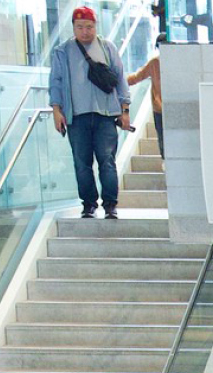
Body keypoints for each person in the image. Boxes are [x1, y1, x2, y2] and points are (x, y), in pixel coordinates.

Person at [47, 7, 131, 219]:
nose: (85, 31)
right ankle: (89, 204)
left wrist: (125, 110)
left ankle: (110, 204)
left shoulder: (107, 48)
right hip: (77, 116)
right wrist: (56, 110)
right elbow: (55, 82)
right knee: (81, 162)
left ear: (96, 27)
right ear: (73, 27)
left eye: (89, 27)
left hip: (106, 115)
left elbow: (121, 79)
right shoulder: (62, 51)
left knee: (107, 160)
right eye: (80, 27)